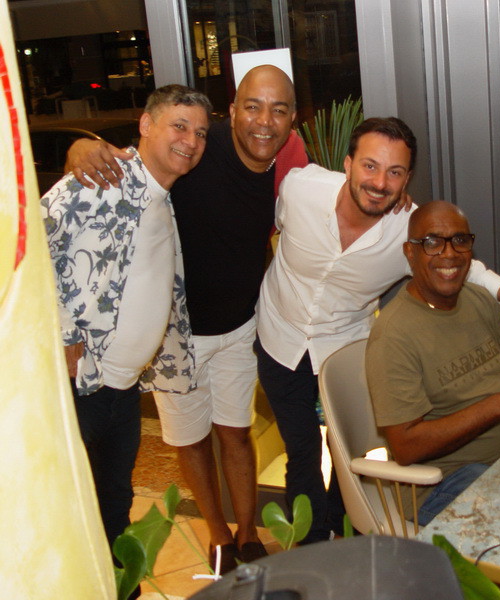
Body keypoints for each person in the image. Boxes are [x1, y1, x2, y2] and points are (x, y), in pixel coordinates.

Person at [254, 117, 500, 543]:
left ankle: (345, 536)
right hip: (280, 336)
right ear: (348, 164)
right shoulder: (301, 188)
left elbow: (463, 267)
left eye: (394, 172)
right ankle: (312, 550)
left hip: (344, 343)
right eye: (370, 166)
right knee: (302, 451)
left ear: (407, 179)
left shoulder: (410, 229)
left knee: (347, 456)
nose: (380, 183)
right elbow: (263, 224)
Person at [65, 65, 309, 573]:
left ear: (292, 120)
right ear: (233, 111)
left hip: (240, 326)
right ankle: (218, 534)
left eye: (279, 110)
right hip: (176, 335)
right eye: (253, 107)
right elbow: (138, 147)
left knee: (235, 432)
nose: (264, 122)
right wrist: (81, 146)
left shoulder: (288, 156)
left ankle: (247, 532)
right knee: (191, 439)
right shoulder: (197, 144)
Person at [41, 84, 211, 555]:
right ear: (146, 124)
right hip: (80, 387)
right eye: (180, 126)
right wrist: (63, 333)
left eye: (200, 133)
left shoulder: (160, 195)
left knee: (114, 504)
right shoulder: (101, 179)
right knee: (68, 514)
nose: (191, 141)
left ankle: (121, 585)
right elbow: (25, 248)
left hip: (123, 389)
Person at [365, 201, 500, 525]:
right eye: (432, 242)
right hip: (441, 483)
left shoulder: (478, 300)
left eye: (460, 240)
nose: (449, 254)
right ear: (410, 252)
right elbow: (406, 447)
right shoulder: (393, 336)